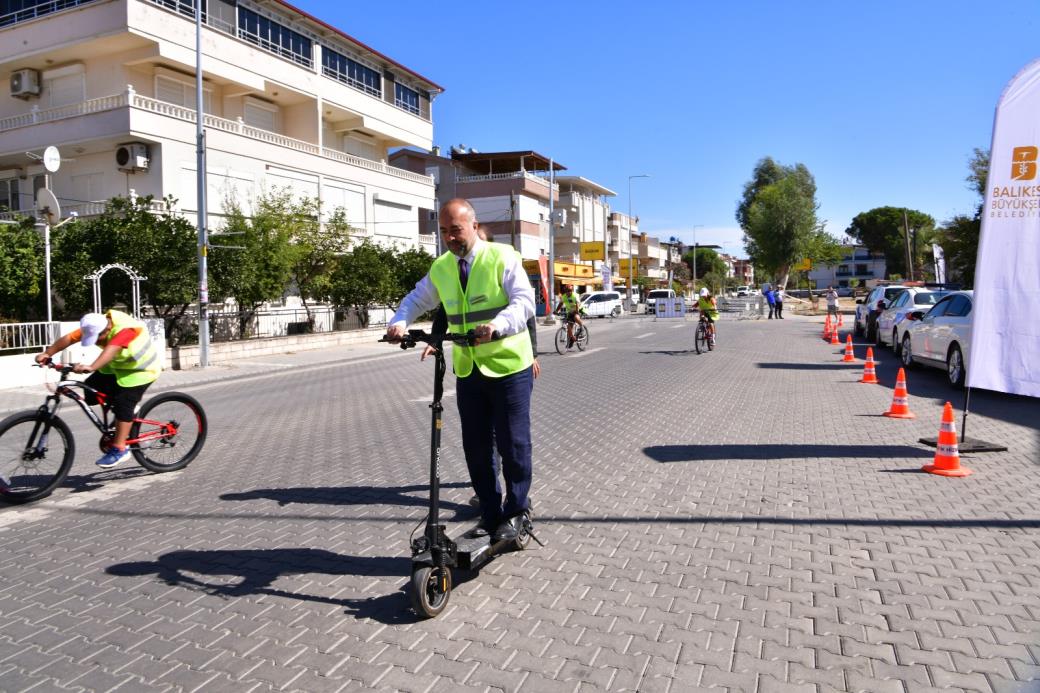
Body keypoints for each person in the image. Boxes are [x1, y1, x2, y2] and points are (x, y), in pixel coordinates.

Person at [385, 198, 535, 543]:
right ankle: (490, 511)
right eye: (444, 232)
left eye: (456, 230)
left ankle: (517, 511)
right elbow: (417, 299)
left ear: (473, 224)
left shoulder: (503, 257)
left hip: (510, 366)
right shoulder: (442, 267)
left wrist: (497, 324)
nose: (450, 238)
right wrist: (398, 321)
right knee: (476, 448)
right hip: (469, 369)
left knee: (513, 445)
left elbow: (524, 302)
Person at [35, 310, 161, 468]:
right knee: (91, 390)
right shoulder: (95, 324)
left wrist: (91, 366)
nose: (96, 341)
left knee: (124, 402)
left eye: (98, 338)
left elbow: (111, 349)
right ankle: (124, 416)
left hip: (141, 370)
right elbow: (69, 338)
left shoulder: (126, 330)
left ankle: (120, 448)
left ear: (107, 329)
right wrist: (47, 353)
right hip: (117, 367)